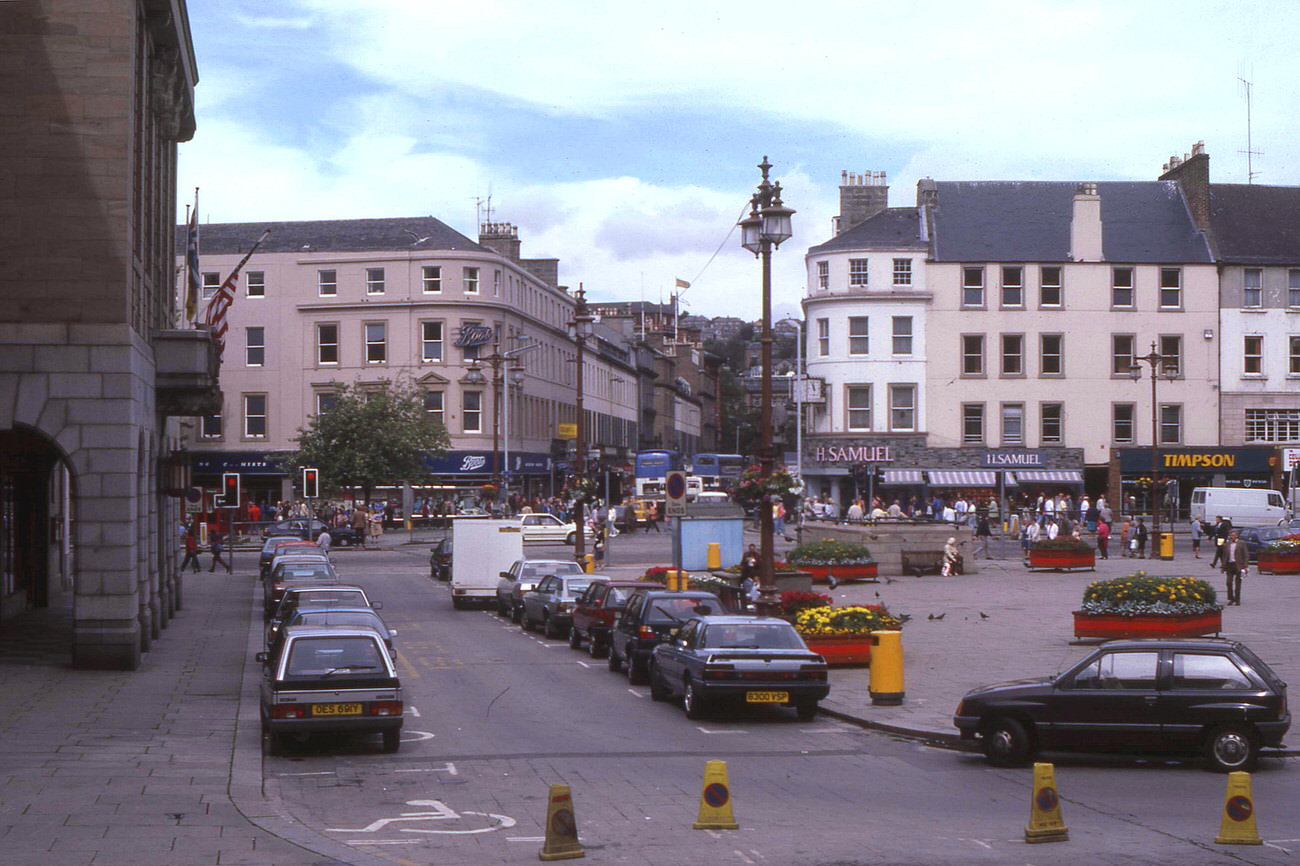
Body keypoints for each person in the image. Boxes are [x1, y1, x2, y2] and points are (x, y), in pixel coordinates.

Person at [1223, 529, 1248, 605]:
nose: (1232, 537)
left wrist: (1245, 566)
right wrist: (1223, 566)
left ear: (1237, 536)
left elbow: (1246, 555)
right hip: (1230, 565)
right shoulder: (1227, 544)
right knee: (1228, 582)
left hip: (1238, 565)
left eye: (1233, 535)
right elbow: (1224, 556)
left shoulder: (1241, 543)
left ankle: (1237, 599)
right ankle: (1231, 598)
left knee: (1238, 584)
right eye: (1231, 535)